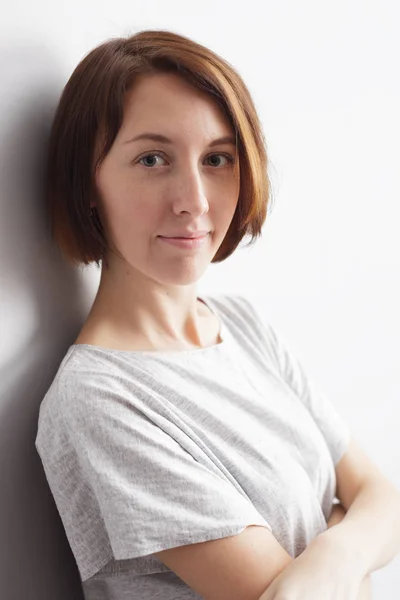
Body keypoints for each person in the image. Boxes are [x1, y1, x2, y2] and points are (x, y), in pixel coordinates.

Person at [35, 29, 376, 600]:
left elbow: (380, 492)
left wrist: (337, 552)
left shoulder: (240, 325)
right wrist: (348, 529)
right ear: (87, 182)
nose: (194, 199)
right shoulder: (98, 399)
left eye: (217, 158)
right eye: (152, 159)